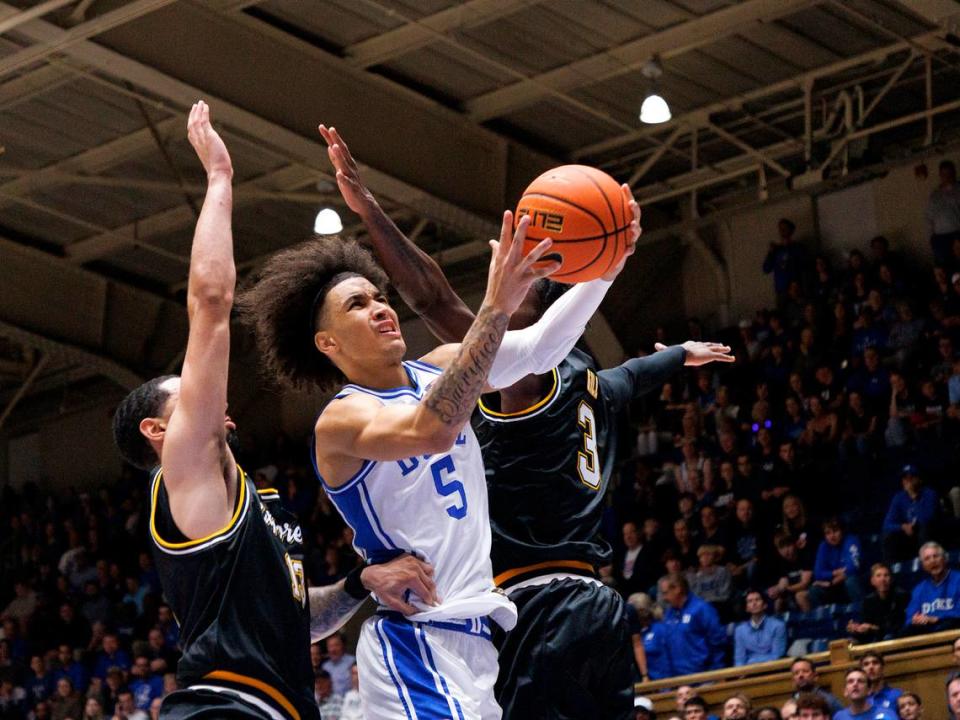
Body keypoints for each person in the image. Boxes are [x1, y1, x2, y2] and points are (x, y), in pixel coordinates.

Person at [315, 125, 734, 718]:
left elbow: (488, 325)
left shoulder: (529, 369)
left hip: (520, 610)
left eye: (538, 275)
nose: (525, 274)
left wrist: (608, 268)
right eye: (360, 303)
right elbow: (621, 371)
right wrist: (635, 302)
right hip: (509, 610)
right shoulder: (572, 377)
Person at [111, 102, 435, 720]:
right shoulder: (188, 472)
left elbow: (294, 621)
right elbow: (210, 300)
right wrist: (219, 179)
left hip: (279, 707)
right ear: (159, 431)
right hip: (223, 706)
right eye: (183, 390)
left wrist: (357, 584)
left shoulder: (258, 506)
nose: (207, 392)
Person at [660, 573, 727, 675]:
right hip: (677, 680)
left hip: (704, 676)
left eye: (666, 593)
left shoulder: (702, 609)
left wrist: (717, 672)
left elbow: (718, 641)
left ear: (677, 589)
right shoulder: (669, 614)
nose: (664, 598)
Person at [882, 465, 940, 563]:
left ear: (919, 480)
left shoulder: (929, 494)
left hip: (931, 533)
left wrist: (913, 496)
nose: (908, 481)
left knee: (924, 528)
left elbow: (927, 518)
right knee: (888, 536)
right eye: (905, 478)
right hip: (910, 535)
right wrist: (902, 526)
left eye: (911, 478)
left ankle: (927, 560)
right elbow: (887, 524)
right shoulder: (899, 497)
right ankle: (891, 568)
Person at [904, 541, 960, 634]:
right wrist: (916, 619)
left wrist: (937, 618)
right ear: (923, 566)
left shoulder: (958, 580)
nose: (932, 561)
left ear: (945, 559)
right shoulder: (919, 589)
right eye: (927, 558)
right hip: (927, 633)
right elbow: (910, 618)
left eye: (936, 556)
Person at [846, 563, 908, 644]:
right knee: (850, 641)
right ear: (872, 581)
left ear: (891, 579)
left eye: (886, 575)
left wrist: (872, 627)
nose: (883, 579)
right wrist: (857, 628)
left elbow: (897, 627)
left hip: (897, 637)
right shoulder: (868, 601)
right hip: (875, 638)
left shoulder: (901, 596)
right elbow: (866, 624)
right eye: (878, 576)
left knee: (888, 637)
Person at [810, 518, 863, 607]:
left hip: (850, 583)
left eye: (835, 531)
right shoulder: (823, 546)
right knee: (814, 590)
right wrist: (834, 573)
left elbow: (853, 567)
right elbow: (818, 573)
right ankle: (825, 619)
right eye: (828, 533)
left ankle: (861, 613)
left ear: (842, 531)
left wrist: (831, 582)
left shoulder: (851, 540)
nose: (832, 536)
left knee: (850, 581)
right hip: (834, 587)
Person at [733, 589, 786, 666]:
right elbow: (739, 659)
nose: (754, 603)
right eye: (750, 601)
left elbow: (777, 655)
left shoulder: (778, 626)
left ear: (765, 605)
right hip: (748, 672)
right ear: (747, 608)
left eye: (757, 600)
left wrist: (752, 661)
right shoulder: (739, 630)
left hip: (773, 669)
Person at [927, 159, 960, 266]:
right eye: (944, 174)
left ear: (954, 173)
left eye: (950, 173)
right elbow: (929, 217)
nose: (947, 177)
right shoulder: (935, 195)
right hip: (940, 237)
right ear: (940, 175)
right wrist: (932, 237)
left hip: (957, 233)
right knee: (945, 266)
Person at [320, 632, 354, 698]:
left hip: (348, 702)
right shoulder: (325, 667)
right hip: (330, 703)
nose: (333, 649)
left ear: (343, 646)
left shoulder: (352, 662)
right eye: (330, 646)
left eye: (336, 645)